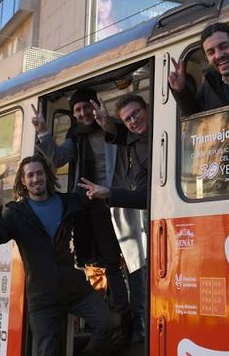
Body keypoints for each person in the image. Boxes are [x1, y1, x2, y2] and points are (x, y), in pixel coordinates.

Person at [0, 155, 118, 355]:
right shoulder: (16, 213)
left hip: (75, 288)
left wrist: (103, 192)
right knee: (47, 352)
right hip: (42, 297)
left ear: (47, 175)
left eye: (39, 173)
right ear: (23, 181)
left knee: (107, 324)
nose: (35, 179)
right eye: (30, 175)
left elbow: (93, 207)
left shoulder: (69, 201)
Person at [32, 90, 131, 321]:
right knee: (93, 260)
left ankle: (123, 312)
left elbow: (120, 135)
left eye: (86, 107)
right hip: (88, 205)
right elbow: (58, 158)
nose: (83, 113)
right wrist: (43, 132)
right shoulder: (76, 134)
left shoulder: (113, 127)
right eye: (77, 110)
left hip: (117, 199)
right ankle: (100, 313)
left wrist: (107, 122)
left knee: (118, 260)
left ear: (95, 105)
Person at [79, 94, 152, 341]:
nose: (133, 121)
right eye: (128, 118)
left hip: (124, 202)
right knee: (121, 264)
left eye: (136, 114)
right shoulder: (79, 137)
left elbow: (117, 131)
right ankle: (129, 323)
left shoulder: (139, 137)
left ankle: (140, 325)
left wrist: (109, 192)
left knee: (136, 263)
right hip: (107, 203)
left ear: (148, 108)